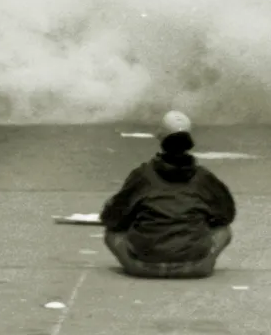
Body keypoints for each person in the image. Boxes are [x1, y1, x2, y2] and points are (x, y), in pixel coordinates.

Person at [99, 110, 236, 280]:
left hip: (143, 266)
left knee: (112, 234)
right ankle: (200, 260)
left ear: (160, 139)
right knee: (224, 231)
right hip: (195, 267)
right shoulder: (204, 178)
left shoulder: (142, 176)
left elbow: (112, 218)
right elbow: (226, 215)